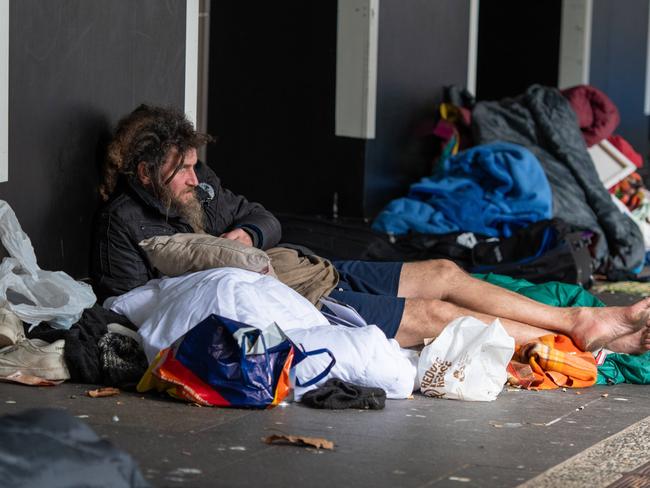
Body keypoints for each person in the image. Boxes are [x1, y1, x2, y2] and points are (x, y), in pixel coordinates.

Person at [92, 104, 650, 356]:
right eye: (181, 169)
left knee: (444, 271)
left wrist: (248, 239)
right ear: (146, 173)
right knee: (438, 316)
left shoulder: (202, 188)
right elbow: (134, 303)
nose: (195, 176)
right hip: (297, 300)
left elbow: (263, 216)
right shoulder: (125, 223)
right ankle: (574, 338)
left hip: (309, 267)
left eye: (193, 164)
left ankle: (579, 318)